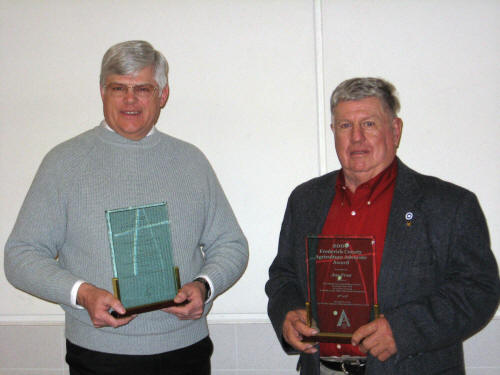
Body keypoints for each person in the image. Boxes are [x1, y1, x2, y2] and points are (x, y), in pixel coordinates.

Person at [4, 40, 248, 375]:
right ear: (102, 92)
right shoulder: (63, 163)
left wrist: (205, 286)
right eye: (119, 87)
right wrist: (83, 294)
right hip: (98, 355)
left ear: (162, 95)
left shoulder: (191, 162)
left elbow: (231, 245)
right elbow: (20, 256)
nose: (130, 99)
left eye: (143, 88)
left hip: (185, 352)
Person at [265, 77, 499, 375]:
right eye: (345, 126)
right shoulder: (305, 200)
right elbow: (283, 276)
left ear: (396, 130)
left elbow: (479, 290)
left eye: (369, 124)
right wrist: (287, 312)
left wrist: (404, 330)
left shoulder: (449, 205)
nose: (357, 137)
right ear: (333, 132)